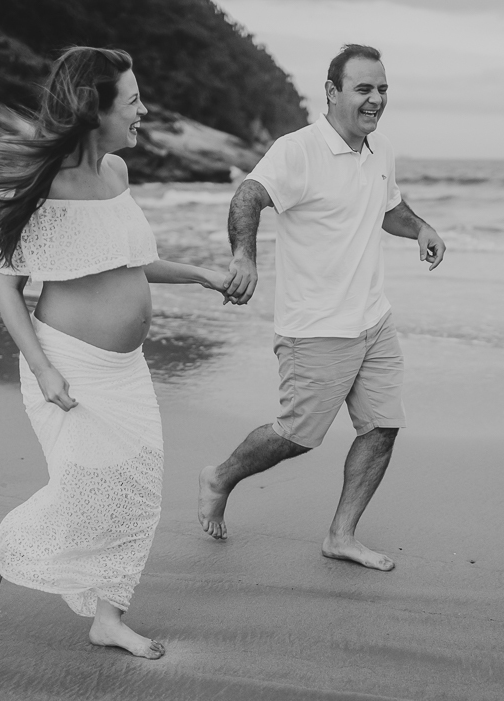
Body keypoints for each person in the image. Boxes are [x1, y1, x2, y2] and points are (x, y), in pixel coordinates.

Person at [0, 47, 231, 659]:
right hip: (68, 365)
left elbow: (131, 262)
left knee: (136, 493)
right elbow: (8, 285)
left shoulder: (117, 175)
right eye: (133, 100)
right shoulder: (44, 187)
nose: (144, 110)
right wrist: (43, 368)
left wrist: (201, 275)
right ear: (95, 109)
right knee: (84, 488)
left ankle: (107, 618)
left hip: (125, 371)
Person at [198, 44, 445, 571]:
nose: (376, 99)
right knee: (297, 436)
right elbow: (248, 196)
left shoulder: (380, 151)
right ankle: (220, 476)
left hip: (373, 319)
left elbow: (388, 205)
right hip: (315, 326)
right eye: (364, 88)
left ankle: (341, 535)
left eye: (381, 89)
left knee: (382, 427)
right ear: (332, 93)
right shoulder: (298, 150)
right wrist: (245, 257)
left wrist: (419, 227)